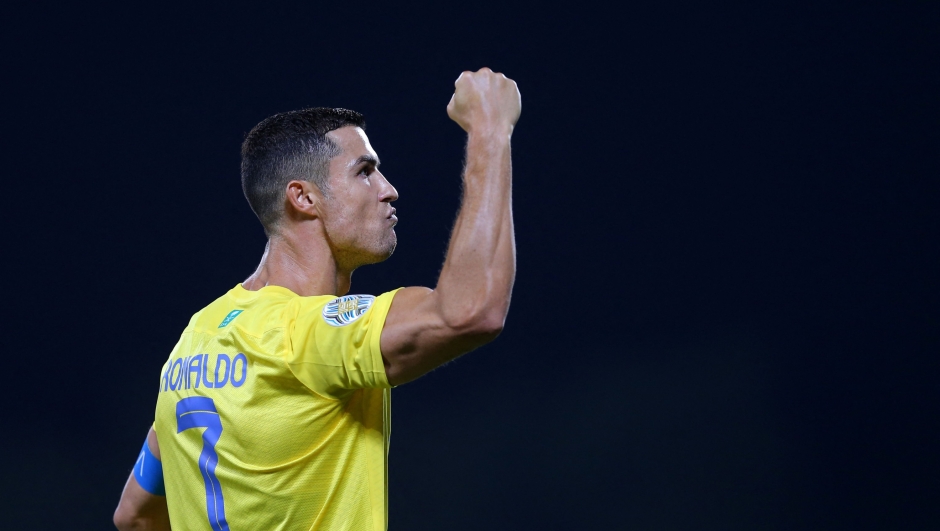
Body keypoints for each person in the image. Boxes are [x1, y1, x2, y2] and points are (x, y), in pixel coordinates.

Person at [113, 67, 520, 531]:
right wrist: (490, 129)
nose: (389, 190)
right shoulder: (303, 335)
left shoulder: (194, 341)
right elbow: (470, 313)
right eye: (365, 172)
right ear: (304, 198)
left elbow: (136, 515)